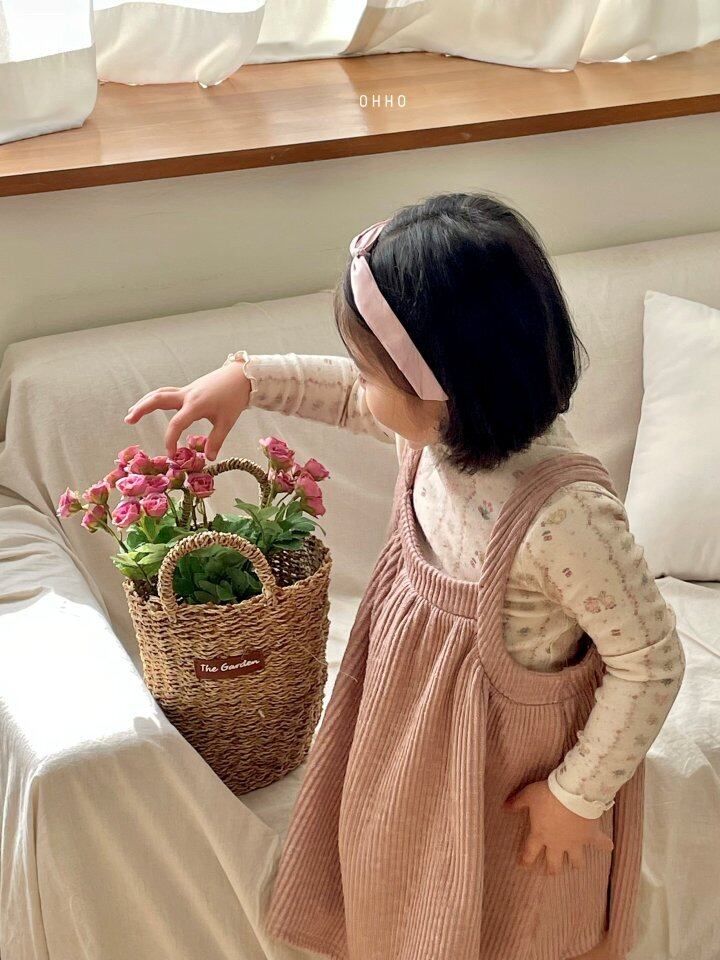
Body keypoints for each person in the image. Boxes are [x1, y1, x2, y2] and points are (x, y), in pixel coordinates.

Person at [125, 192, 685, 960]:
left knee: (513, 921)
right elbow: (347, 396)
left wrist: (575, 797)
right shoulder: (434, 430)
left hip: (502, 771)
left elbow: (651, 662)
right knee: (401, 887)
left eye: (371, 372)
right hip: (411, 727)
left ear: (443, 383)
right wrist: (248, 380)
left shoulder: (565, 517)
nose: (359, 387)